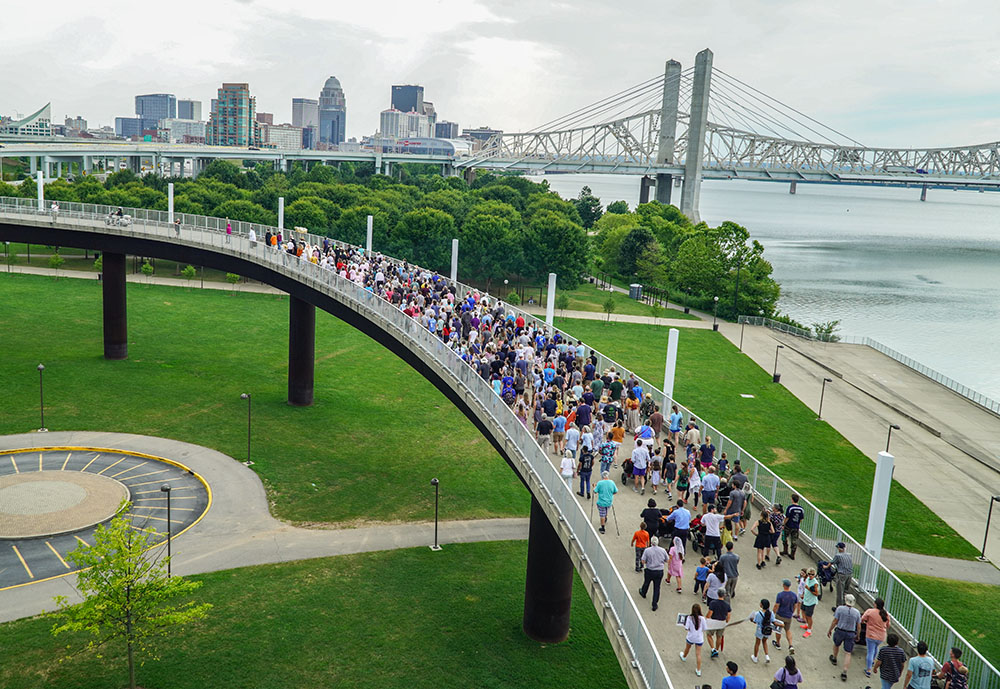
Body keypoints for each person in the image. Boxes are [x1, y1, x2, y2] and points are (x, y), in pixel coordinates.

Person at [828, 592, 861, 682]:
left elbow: (835, 621)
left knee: (836, 644)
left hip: (840, 630)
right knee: (848, 652)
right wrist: (858, 634)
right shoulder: (857, 612)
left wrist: (830, 629)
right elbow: (858, 625)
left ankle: (834, 658)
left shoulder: (840, 609)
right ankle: (844, 671)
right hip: (850, 633)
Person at [861, 598, 892, 678]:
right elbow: (888, 625)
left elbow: (862, 619)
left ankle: (868, 670)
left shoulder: (870, 611)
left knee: (870, 651)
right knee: (875, 648)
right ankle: (872, 662)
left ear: (875, 604)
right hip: (881, 636)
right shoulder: (885, 614)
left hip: (871, 635)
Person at [638, 535, 667, 611]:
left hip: (650, 569)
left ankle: (643, 592)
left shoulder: (647, 550)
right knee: (657, 587)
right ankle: (654, 604)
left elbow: (643, 560)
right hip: (659, 571)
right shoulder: (663, 550)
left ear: (651, 542)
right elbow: (667, 560)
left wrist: (647, 562)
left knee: (646, 582)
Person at [679, 603, 705, 677]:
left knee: (687, 648)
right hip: (699, 638)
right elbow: (705, 628)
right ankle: (698, 670)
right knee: (698, 654)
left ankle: (684, 656)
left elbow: (686, 628)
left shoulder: (689, 618)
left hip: (691, 637)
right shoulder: (702, 618)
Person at [773, 578, 798, 655]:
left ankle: (778, 643)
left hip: (780, 615)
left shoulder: (780, 595)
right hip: (788, 616)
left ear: (784, 585)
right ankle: (790, 645)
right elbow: (795, 605)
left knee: (778, 630)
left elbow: (776, 605)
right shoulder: (794, 595)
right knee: (787, 630)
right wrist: (791, 612)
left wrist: (773, 613)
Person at [706, 588, 731, 658]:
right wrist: (725, 622)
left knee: (709, 635)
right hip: (722, 622)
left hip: (713, 621)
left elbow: (709, 614)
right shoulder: (727, 605)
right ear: (724, 595)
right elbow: (728, 617)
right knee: (719, 636)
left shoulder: (713, 603)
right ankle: (717, 650)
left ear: (717, 594)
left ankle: (713, 649)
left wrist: (706, 619)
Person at [750, 598, 774, 664]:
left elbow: (755, 622)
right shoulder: (771, 613)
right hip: (767, 629)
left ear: (762, 605)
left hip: (760, 629)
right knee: (764, 642)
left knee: (757, 643)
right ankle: (767, 656)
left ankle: (755, 657)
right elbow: (773, 620)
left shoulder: (758, 613)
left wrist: (751, 620)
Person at [782, 493, 805, 560]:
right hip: (796, 527)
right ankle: (792, 554)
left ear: (792, 499)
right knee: (794, 540)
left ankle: (785, 550)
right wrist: (797, 524)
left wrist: (783, 524)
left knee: (784, 537)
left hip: (788, 526)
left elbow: (787, 517)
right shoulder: (801, 509)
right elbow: (801, 519)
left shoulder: (790, 507)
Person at [831, 542, 853, 610]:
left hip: (842, 575)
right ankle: (846, 604)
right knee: (845, 591)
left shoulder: (838, 556)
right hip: (849, 574)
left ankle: (839, 607)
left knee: (840, 591)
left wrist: (826, 567)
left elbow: (832, 562)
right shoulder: (849, 555)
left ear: (840, 548)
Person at [799, 567, 820, 638]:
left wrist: (809, 589)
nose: (811, 575)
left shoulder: (815, 583)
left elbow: (817, 594)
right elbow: (805, 587)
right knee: (803, 611)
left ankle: (809, 630)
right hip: (806, 599)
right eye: (809, 574)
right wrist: (803, 594)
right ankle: (807, 625)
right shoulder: (807, 579)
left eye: (812, 574)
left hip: (811, 602)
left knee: (809, 616)